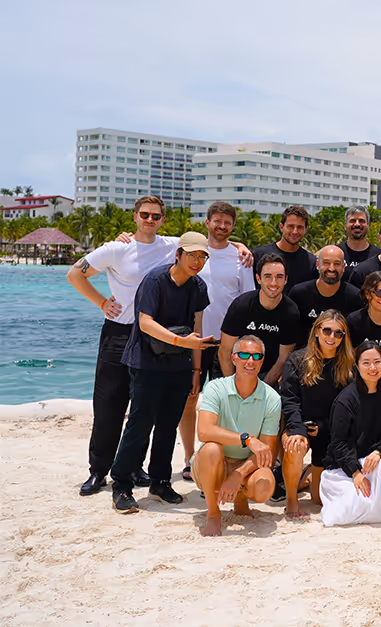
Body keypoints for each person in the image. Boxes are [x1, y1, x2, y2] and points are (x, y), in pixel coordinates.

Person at [68, 196, 179, 496]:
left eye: (156, 216)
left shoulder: (171, 246)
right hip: (118, 333)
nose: (150, 220)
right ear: (134, 216)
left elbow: (210, 242)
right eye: (145, 215)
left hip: (152, 336)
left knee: (145, 408)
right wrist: (102, 302)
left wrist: (240, 247)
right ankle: (98, 471)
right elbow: (74, 274)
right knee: (108, 405)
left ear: (162, 220)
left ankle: (133, 466)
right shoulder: (117, 248)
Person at [110, 231, 215, 513]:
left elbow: (198, 328)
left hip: (180, 365)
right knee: (140, 423)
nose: (197, 261)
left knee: (169, 425)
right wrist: (183, 341)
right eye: (191, 255)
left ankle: (159, 481)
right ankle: (121, 484)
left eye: (202, 256)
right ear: (178, 254)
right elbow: (145, 323)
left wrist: (196, 370)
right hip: (146, 362)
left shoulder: (198, 287)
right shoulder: (155, 281)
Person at [183, 201, 257, 481]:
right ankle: (190, 459)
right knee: (190, 400)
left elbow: (247, 299)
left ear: (232, 226)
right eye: (217, 221)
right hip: (192, 338)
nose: (222, 226)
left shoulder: (241, 257)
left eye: (227, 223)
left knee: (225, 405)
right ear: (207, 222)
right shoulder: (194, 253)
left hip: (228, 344)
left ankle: (222, 458)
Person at [192, 335, 280, 536]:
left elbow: (266, 452)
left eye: (257, 356)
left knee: (265, 485)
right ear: (233, 359)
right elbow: (204, 431)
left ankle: (240, 500)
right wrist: (247, 439)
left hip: (246, 466)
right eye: (244, 355)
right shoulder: (216, 387)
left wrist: (238, 474)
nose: (251, 361)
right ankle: (213, 514)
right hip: (213, 463)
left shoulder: (272, 398)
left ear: (262, 361)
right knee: (212, 448)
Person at [319, 341, 381, 526]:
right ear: (356, 366)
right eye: (366, 362)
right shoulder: (345, 400)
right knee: (349, 511)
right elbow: (339, 443)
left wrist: (379, 451)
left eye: (377, 362)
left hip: (375, 461)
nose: (372, 368)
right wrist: (355, 473)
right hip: (345, 469)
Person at [279, 310, 357, 518]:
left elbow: (350, 407)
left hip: (329, 432)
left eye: (338, 333)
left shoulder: (349, 366)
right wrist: (298, 429)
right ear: (316, 332)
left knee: (318, 499)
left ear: (343, 337)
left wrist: (324, 427)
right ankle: (291, 500)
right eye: (327, 331)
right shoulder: (297, 360)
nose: (332, 337)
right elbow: (290, 399)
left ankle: (307, 476)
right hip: (301, 425)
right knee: (296, 446)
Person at [219, 253, 303, 387]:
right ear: (258, 279)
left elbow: (283, 359)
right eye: (268, 277)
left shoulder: (291, 312)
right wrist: (233, 388)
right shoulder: (242, 305)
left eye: (279, 277)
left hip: (267, 373)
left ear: (286, 280)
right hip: (234, 370)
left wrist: (261, 391)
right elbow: (225, 351)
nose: (274, 283)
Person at [252, 205, 317, 295]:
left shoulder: (311, 262)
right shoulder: (259, 255)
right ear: (281, 227)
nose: (295, 231)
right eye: (290, 226)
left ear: (305, 229)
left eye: (300, 227)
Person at [289, 245, 361, 321]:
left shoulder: (355, 297)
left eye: (337, 264)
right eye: (326, 263)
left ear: (343, 267)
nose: (331, 268)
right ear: (317, 264)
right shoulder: (299, 294)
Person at [337, 206, 381, 273]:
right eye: (352, 221)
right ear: (345, 226)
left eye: (361, 221)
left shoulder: (379, 255)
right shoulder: (336, 253)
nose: (357, 224)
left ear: (368, 226)